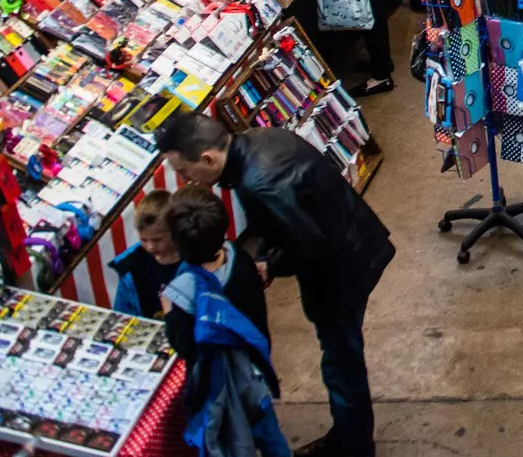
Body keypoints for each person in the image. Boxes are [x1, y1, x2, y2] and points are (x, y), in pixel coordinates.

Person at [157, 113, 394, 457]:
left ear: (207, 158)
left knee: (342, 366)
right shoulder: (258, 140)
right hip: (353, 242)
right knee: (342, 361)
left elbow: (309, 245)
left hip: (340, 274)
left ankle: (355, 445)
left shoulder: (259, 183)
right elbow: (284, 224)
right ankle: (348, 433)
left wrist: (270, 265)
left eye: (184, 171)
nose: (186, 179)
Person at [159, 189, 287, 457]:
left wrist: (169, 312)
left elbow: (185, 346)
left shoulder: (184, 289)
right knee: (270, 433)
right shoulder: (238, 258)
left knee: (231, 440)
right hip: (254, 370)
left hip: (219, 386)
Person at [109, 190, 179, 319]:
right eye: (144, 240)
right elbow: (123, 313)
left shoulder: (194, 257)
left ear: (175, 230)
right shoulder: (133, 268)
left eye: (157, 239)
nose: (150, 246)